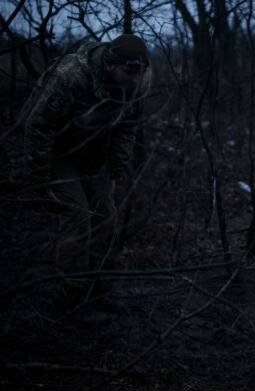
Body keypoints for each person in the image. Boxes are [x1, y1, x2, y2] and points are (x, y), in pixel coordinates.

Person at [10, 34, 150, 311]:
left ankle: (99, 289)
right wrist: (40, 178)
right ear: (110, 64)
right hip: (59, 154)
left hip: (95, 155)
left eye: (140, 71)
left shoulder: (138, 81)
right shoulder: (71, 76)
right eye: (129, 71)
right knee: (79, 215)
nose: (135, 78)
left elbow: (127, 128)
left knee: (106, 215)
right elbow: (38, 127)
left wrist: (115, 172)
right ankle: (72, 294)